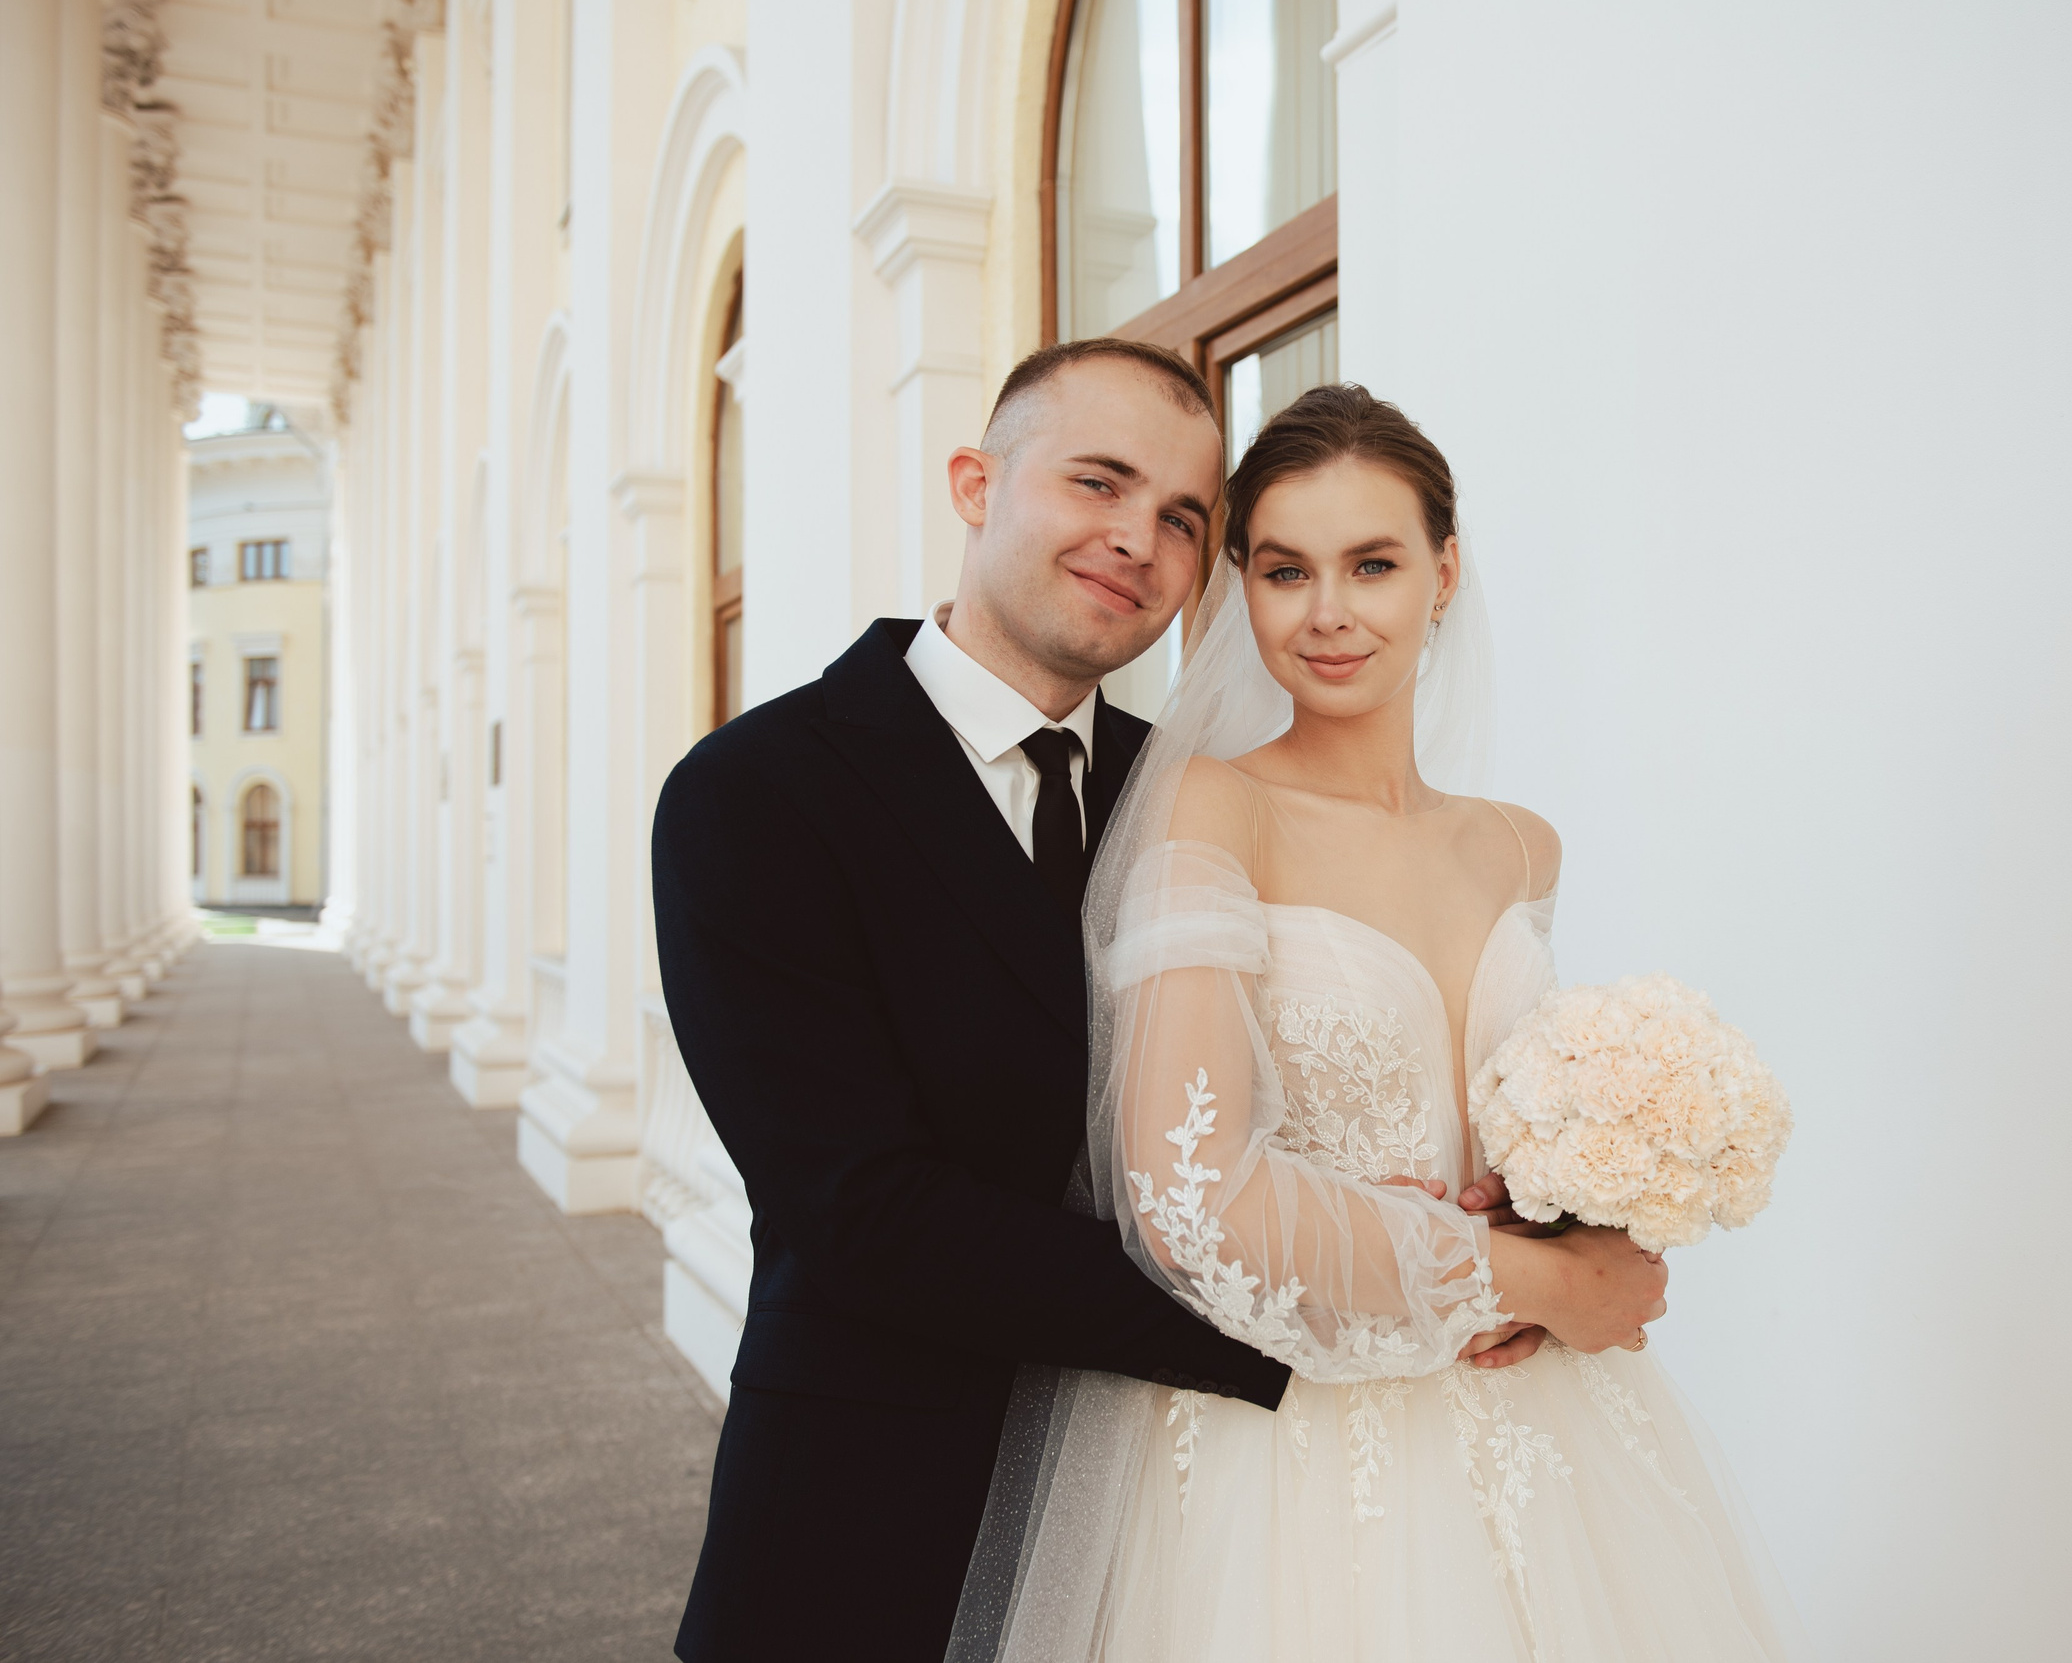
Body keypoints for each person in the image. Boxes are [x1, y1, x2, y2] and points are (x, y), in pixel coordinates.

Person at [650, 343, 1663, 1661]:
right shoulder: (758, 790)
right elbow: (865, 1214)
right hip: (890, 1478)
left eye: (1184, 519)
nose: (1138, 538)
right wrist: (1403, 1294)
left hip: (1223, 1488)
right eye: (1098, 482)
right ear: (975, 482)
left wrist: (1553, 1220)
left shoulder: (1183, 783)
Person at [949, 385, 1808, 1662]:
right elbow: (1185, 1194)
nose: (1329, 611)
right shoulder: (1208, 807)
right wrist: (1529, 1278)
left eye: (1373, 563)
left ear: (1444, 571)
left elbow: (1501, 1128)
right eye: (1286, 569)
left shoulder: (1520, 845)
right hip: (1298, 1442)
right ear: (1241, 587)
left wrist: (1591, 1210)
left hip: (1553, 1420)